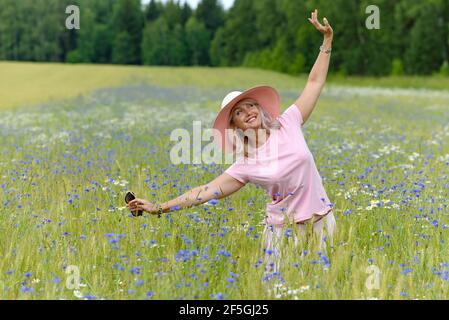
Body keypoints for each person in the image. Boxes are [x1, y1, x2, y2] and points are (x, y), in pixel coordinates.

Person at [127, 9, 335, 274]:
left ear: (260, 108)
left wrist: (326, 41)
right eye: (238, 112)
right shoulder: (245, 164)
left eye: (250, 105)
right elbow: (203, 192)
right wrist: (159, 208)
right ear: (234, 125)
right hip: (283, 235)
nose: (247, 112)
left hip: (323, 223)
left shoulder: (289, 122)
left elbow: (315, 82)